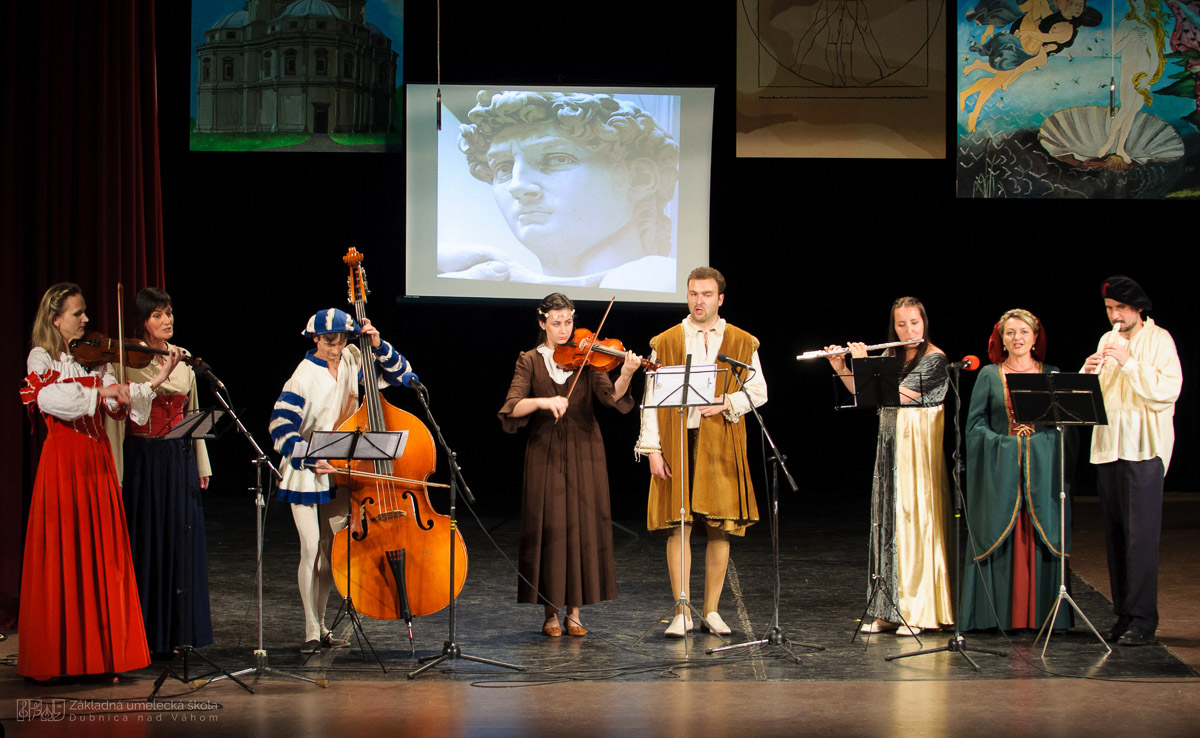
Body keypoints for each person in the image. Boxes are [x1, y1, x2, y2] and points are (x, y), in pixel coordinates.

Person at [19, 282, 179, 680]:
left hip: (97, 460)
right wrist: (99, 387)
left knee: (102, 556)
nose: (87, 319)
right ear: (56, 320)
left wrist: (157, 379)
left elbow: (116, 402)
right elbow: (49, 399)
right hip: (63, 461)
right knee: (66, 554)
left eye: (85, 312)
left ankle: (104, 655)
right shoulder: (41, 358)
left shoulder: (95, 359)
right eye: (78, 313)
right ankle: (63, 657)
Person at [269, 308, 415, 653]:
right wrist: (308, 454)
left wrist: (378, 345)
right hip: (308, 470)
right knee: (310, 550)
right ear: (316, 339)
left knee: (329, 552)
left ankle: (321, 625)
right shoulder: (303, 376)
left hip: (341, 467)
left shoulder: (352, 358)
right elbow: (279, 427)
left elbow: (403, 376)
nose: (336, 348)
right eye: (329, 342)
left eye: (342, 340)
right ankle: (310, 628)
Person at [499, 293, 642, 636]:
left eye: (568, 322)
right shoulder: (530, 361)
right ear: (542, 323)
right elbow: (512, 407)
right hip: (544, 452)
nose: (564, 331)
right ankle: (550, 613)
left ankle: (575, 612)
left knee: (581, 527)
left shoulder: (588, 357)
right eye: (556, 323)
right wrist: (544, 401)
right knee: (549, 528)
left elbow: (612, 398)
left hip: (585, 451)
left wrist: (628, 372)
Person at [635, 267, 766, 637]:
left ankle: (711, 610)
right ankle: (683, 610)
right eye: (693, 293)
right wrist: (652, 450)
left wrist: (726, 401)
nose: (699, 301)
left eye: (707, 294)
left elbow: (759, 392)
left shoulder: (742, 341)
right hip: (679, 439)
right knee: (680, 525)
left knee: (719, 528)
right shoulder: (667, 340)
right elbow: (650, 400)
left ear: (719, 299)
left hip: (721, 440)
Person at [442, 90, 680, 291]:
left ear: (640, 179)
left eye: (557, 159)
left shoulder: (657, 276)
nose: (517, 185)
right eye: (504, 168)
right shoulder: (494, 274)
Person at [824, 296, 954, 636]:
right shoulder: (891, 355)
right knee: (886, 525)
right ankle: (887, 610)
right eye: (901, 324)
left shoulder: (935, 359)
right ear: (893, 326)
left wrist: (863, 363)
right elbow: (866, 395)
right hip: (890, 445)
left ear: (924, 323)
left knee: (913, 523)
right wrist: (841, 366)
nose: (908, 330)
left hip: (917, 450)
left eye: (914, 322)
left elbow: (898, 395)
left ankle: (916, 610)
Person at [1081, 275, 1181, 646]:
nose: (1114, 317)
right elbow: (1096, 398)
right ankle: (1123, 614)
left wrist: (1128, 364)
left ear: (1137, 309)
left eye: (1120, 309)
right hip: (1110, 448)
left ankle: (1143, 619)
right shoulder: (1107, 340)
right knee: (1116, 536)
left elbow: (1168, 391)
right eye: (1109, 309)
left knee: (1140, 539)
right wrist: (1088, 374)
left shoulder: (1160, 340)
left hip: (1143, 451)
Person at [960, 309, 1074, 631]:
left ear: (1036, 338)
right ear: (1001, 339)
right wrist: (1006, 445)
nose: (1017, 338)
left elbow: (1062, 427)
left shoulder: (1051, 373)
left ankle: (1042, 616)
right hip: (1001, 477)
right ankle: (993, 616)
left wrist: (1036, 445)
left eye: (1024, 332)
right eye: (1010, 333)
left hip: (1040, 476)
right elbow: (975, 426)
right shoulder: (989, 375)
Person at [121, 287, 214, 654]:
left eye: (170, 313)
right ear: (143, 321)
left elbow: (192, 415)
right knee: (149, 540)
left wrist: (201, 463)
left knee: (179, 542)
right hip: (145, 459)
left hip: (179, 458)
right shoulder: (126, 359)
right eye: (158, 315)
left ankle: (178, 633)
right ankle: (145, 634)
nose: (167, 320)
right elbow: (130, 411)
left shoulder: (186, 357)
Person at [1097, 0, 1170, 163]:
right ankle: (1109, 142)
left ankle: (1120, 147)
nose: (1138, 4)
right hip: (1129, 74)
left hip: (1144, 76)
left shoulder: (1150, 25)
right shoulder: (1126, 23)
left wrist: (1148, 78)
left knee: (1132, 113)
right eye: (1134, 2)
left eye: (1140, 1)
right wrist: (1130, 37)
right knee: (1124, 109)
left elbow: (1155, 55)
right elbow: (1115, 48)